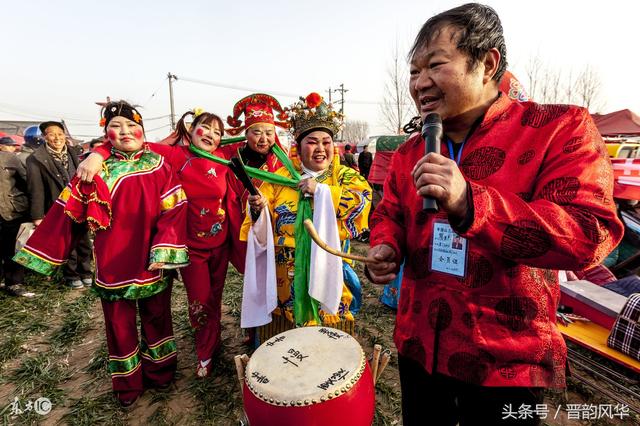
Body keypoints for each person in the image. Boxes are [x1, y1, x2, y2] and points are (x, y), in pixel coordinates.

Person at [365, 4, 624, 426]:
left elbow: (588, 234)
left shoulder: (557, 129)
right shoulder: (411, 150)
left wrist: (472, 203)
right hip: (418, 345)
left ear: (487, 63)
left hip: (505, 360)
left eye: (435, 65)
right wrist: (385, 244)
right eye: (413, 71)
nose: (419, 83)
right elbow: (389, 212)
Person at [15, 101, 189, 407]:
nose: (124, 132)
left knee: (158, 318)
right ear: (106, 134)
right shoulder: (94, 169)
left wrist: (165, 248)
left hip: (153, 259)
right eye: (116, 127)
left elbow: (175, 208)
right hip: (114, 262)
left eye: (131, 125)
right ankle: (128, 386)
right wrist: (43, 253)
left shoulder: (160, 165)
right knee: (119, 327)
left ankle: (161, 372)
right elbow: (66, 212)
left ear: (142, 130)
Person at [78, 108, 236, 378]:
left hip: (220, 244)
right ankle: (204, 351)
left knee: (216, 298)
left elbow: (266, 142)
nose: (211, 135)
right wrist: (96, 154)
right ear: (190, 131)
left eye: (218, 132)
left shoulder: (223, 157)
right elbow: (128, 143)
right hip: (190, 247)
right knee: (199, 301)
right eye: (205, 128)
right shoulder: (175, 156)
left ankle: (214, 341)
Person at [242, 92, 371, 343]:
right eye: (312, 142)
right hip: (285, 279)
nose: (321, 148)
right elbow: (258, 223)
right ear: (298, 147)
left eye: (326, 142)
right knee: (285, 348)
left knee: (325, 352)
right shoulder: (279, 178)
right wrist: (257, 209)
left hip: (329, 271)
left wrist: (321, 191)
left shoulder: (344, 176)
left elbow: (361, 203)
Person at [25, 121, 93, 289]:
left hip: (79, 204)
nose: (57, 138)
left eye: (60, 134)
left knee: (84, 241)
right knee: (66, 242)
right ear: (44, 137)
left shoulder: (74, 153)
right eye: (52, 134)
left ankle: (86, 272)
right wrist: (37, 216)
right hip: (56, 207)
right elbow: (36, 189)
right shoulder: (35, 159)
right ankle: (71, 275)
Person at [0, 137, 34, 297]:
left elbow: (27, 182)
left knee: (13, 249)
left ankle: (14, 283)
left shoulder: (9, 158)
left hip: (10, 211)